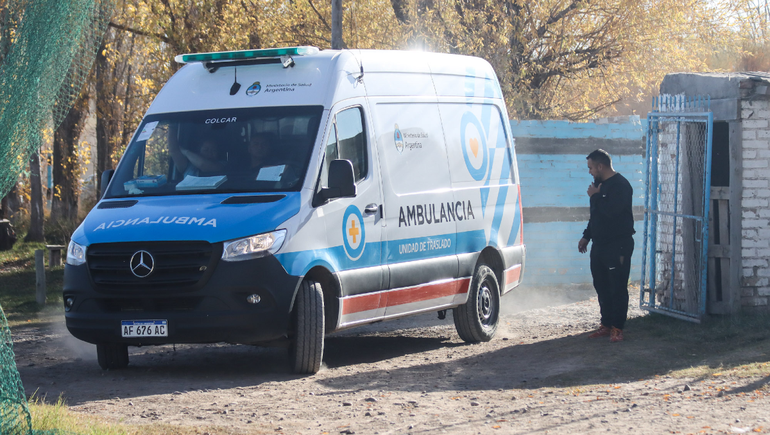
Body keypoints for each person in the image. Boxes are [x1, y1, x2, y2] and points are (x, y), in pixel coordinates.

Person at [578, 149, 635, 343]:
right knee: (601, 285)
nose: (590, 172)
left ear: (600, 166)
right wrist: (586, 236)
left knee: (617, 286)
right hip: (599, 245)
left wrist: (595, 196)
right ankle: (606, 324)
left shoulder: (620, 185)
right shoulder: (598, 186)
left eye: (591, 168)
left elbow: (612, 212)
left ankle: (618, 328)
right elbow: (596, 215)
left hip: (618, 245)